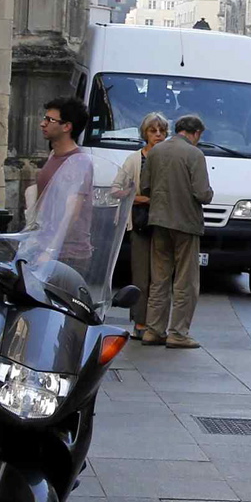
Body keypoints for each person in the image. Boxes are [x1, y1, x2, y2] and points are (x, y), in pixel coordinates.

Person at [140, 113, 213, 347]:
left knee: (159, 278)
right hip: (186, 223)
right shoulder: (195, 154)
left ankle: (153, 330)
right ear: (196, 133)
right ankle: (178, 333)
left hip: (159, 220)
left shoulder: (156, 151)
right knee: (185, 280)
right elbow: (202, 193)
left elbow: (145, 186)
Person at [113, 112, 169, 342]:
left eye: (162, 131)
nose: (157, 135)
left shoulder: (168, 158)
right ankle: (140, 322)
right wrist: (140, 198)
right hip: (140, 223)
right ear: (144, 134)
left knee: (162, 277)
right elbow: (116, 189)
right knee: (141, 276)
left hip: (164, 223)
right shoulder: (135, 159)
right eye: (152, 131)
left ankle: (157, 324)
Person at [29, 98, 97, 270]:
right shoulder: (54, 155)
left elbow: (71, 214)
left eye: (50, 120)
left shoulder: (78, 162)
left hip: (68, 254)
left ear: (67, 126)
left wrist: (51, 250)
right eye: (45, 118)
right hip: (44, 248)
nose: (42, 124)